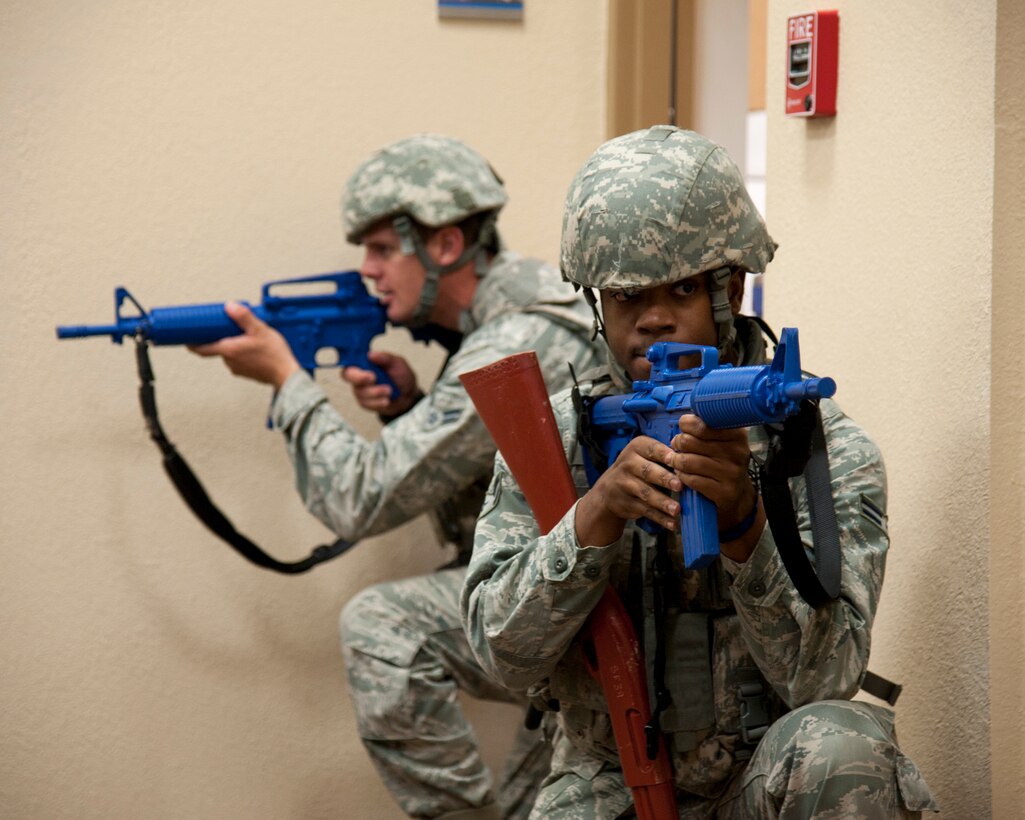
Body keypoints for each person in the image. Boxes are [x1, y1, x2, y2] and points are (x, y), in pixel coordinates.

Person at [462, 125, 939, 818]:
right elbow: (496, 656)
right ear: (597, 306)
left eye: (680, 289)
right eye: (626, 297)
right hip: (610, 780)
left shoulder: (814, 444)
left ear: (731, 289)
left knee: (844, 749)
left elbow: (825, 676)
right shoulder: (557, 438)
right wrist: (592, 517)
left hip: (761, 778)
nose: (653, 321)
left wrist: (747, 525)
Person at [190, 134, 602, 820]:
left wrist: (286, 381)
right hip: (571, 605)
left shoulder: (511, 341)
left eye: (383, 249)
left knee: (385, 627)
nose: (367, 270)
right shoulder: (514, 322)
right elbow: (525, 481)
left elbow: (356, 498)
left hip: (593, 616)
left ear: (444, 246)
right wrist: (414, 409)